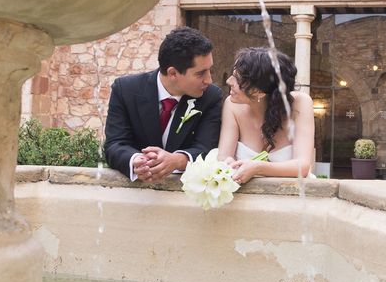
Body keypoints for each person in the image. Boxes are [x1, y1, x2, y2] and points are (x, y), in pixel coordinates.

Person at [104, 27, 222, 182]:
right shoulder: (125, 90)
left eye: (209, 70)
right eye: (200, 73)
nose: (209, 80)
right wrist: (136, 161)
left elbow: (207, 149)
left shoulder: (211, 97)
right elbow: (114, 144)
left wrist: (176, 160)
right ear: (173, 73)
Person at [217, 47, 314, 183]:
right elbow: (223, 156)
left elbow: (302, 167)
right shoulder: (231, 105)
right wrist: (227, 162)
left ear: (259, 92)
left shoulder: (301, 103)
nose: (228, 81)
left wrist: (258, 168)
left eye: (237, 79)